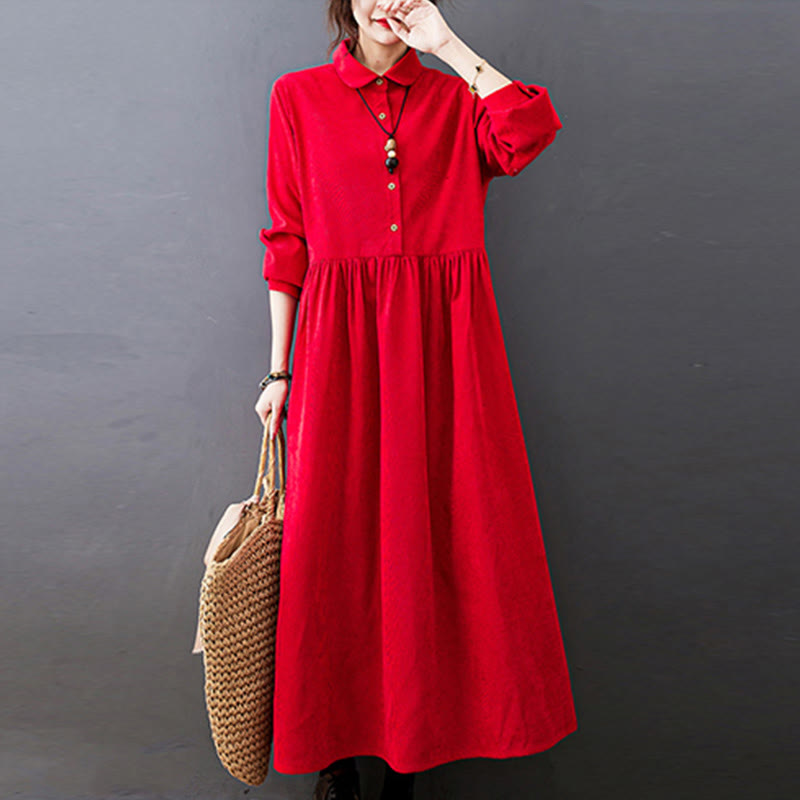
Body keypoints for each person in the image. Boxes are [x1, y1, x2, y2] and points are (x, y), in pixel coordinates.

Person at [254, 1, 578, 798]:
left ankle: (411, 752)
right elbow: (288, 240)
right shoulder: (297, 97)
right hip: (339, 348)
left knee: (439, 533)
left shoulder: (454, 98)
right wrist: (278, 373)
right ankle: (335, 754)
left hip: (445, 350)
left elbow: (529, 131)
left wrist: (447, 46)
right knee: (336, 540)